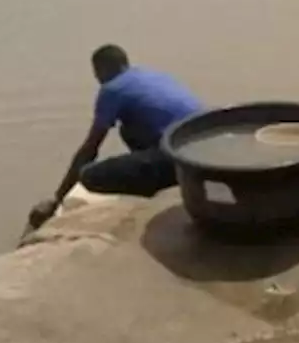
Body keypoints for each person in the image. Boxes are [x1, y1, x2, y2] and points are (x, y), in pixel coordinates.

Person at [27, 45, 203, 229]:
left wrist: (58, 199)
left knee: (89, 175)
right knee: (127, 129)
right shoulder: (150, 75)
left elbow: (90, 148)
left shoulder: (112, 89)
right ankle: (159, 176)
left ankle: (153, 188)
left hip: (175, 157)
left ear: (100, 69)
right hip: (195, 151)